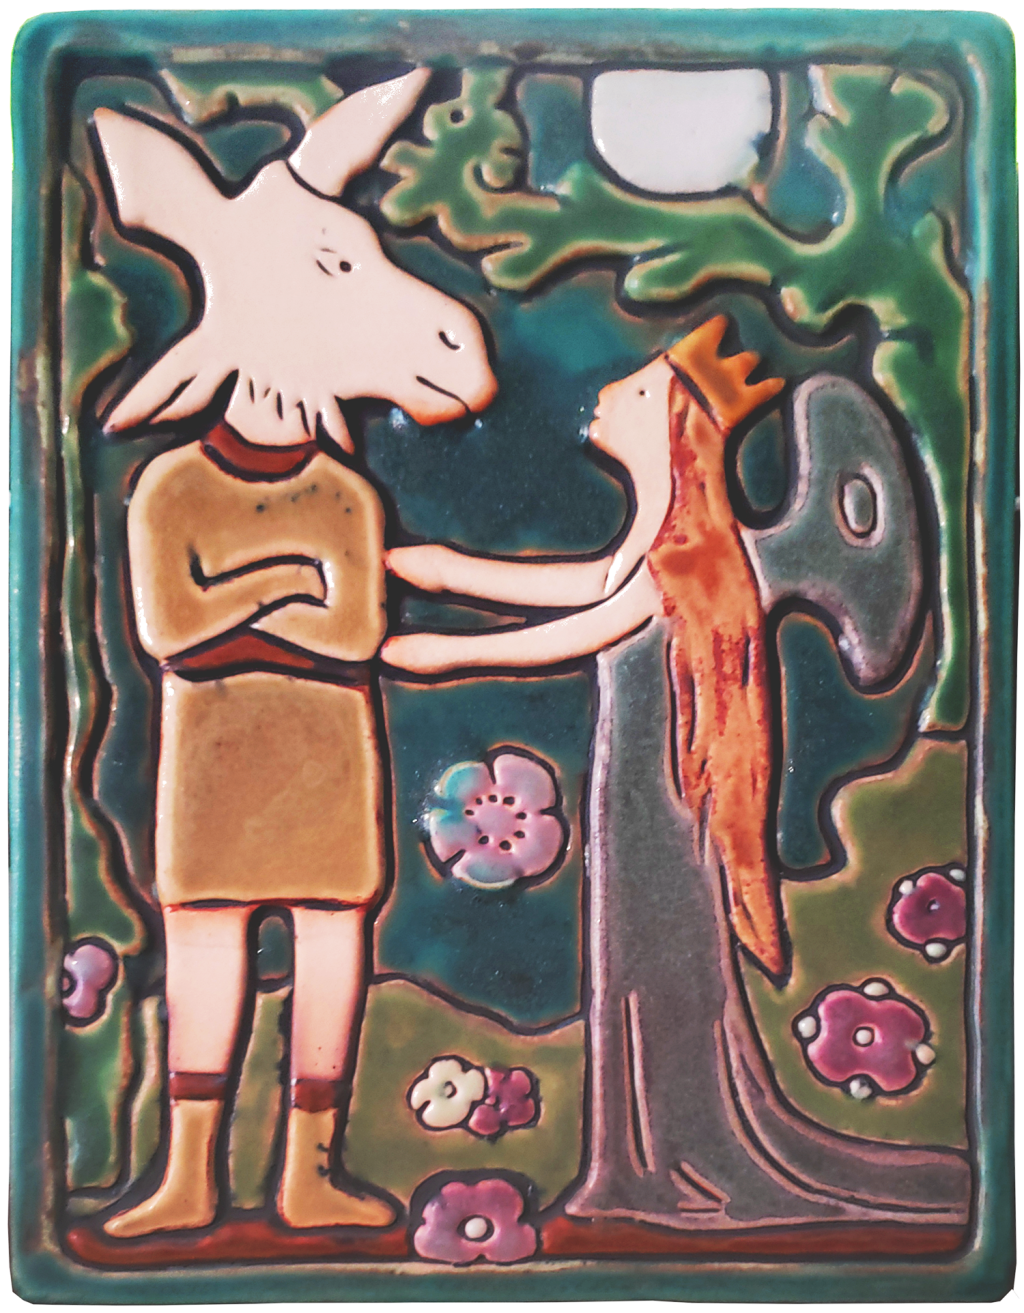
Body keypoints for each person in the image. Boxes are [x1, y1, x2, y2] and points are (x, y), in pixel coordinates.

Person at [385, 316, 970, 1227]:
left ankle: (674, 1156)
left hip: (664, 808)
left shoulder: (695, 565)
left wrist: (439, 652)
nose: (608, 399)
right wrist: (444, 569)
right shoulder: (655, 551)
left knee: (650, 949)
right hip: (638, 802)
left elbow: (582, 628)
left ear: (673, 427)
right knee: (628, 949)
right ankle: (639, 1155)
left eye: (637, 389)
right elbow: (581, 586)